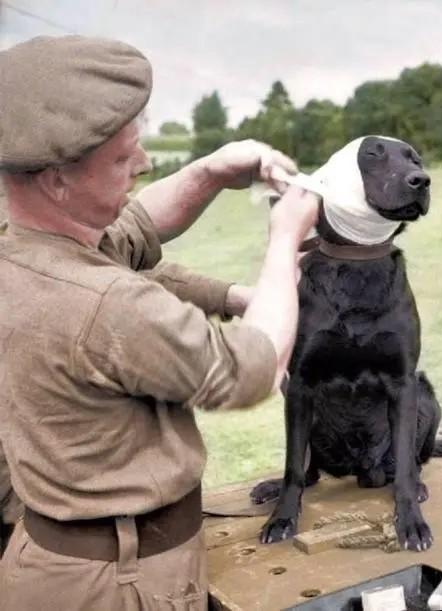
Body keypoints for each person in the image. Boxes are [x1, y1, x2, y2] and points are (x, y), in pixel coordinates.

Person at [0, 35, 319, 610]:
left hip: (58, 563)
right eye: (125, 159)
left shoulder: (25, 250)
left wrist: (214, 171)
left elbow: (137, 225)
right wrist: (283, 243)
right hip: (120, 583)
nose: (144, 163)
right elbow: (255, 366)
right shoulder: (104, 304)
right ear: (57, 180)